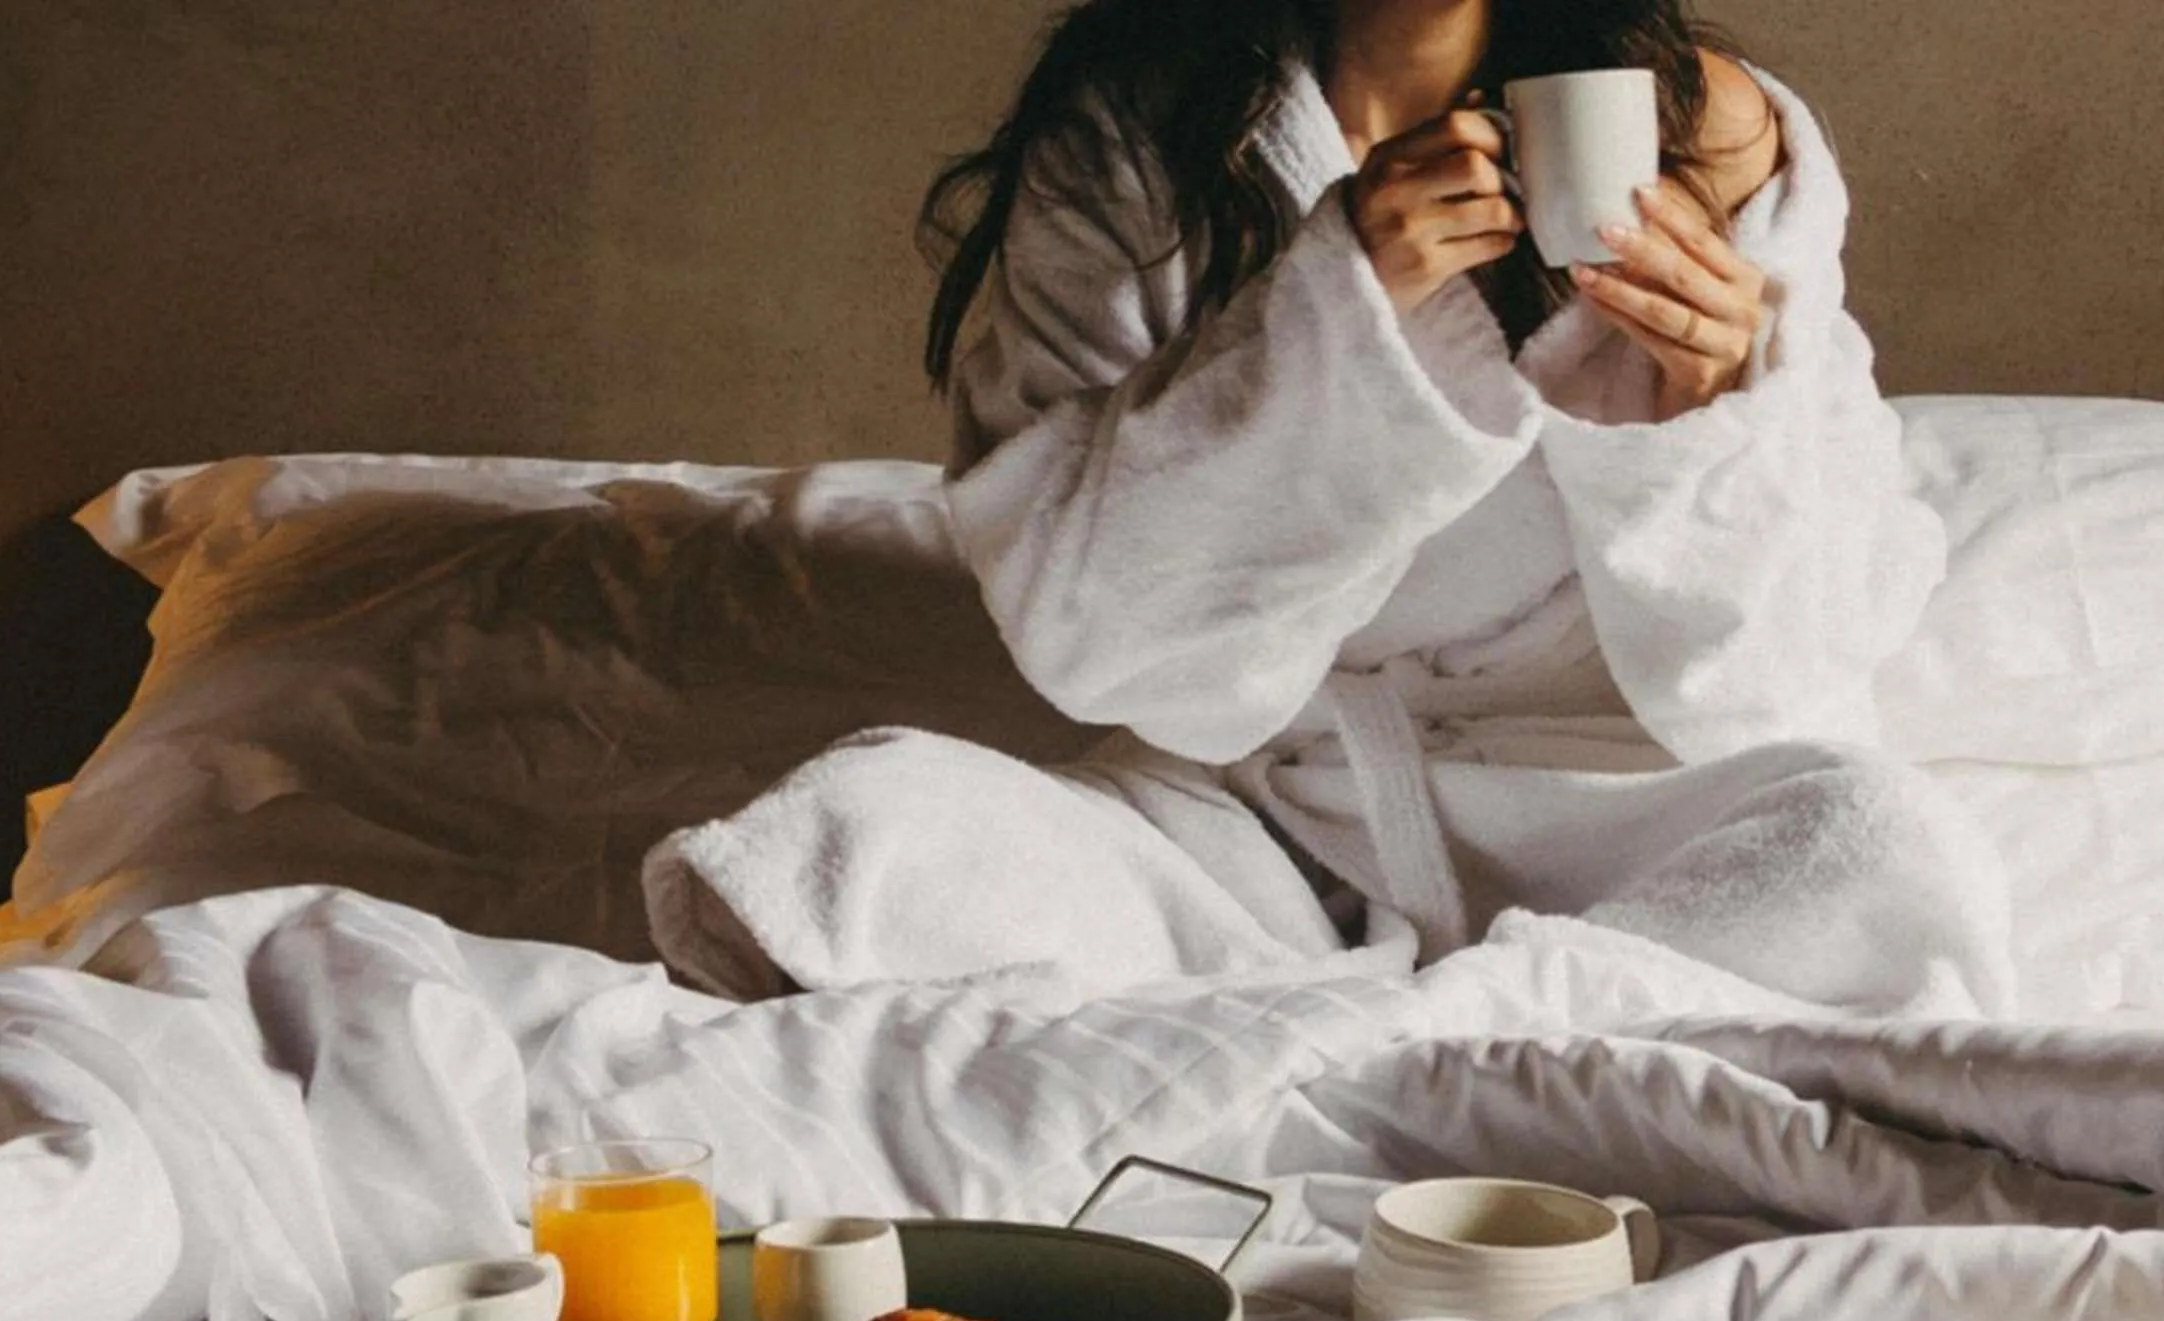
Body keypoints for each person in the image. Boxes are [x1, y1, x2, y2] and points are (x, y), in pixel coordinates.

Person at [754, 0, 2011, 1010]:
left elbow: (1805, 649)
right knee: (867, 837)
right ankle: (1506, 1057)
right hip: (1261, 822)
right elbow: (1092, 637)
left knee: (1871, 841)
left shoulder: (1703, 126)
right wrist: (1338, 312)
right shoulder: (1139, 138)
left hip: (1614, 806)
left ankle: (1372, 1052)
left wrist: (1727, 408)